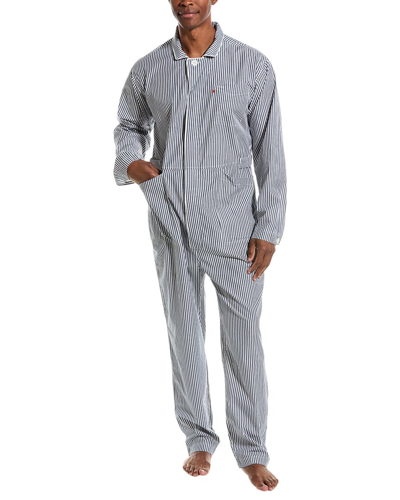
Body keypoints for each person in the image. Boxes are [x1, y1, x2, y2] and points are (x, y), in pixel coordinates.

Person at [113, 0, 286, 492]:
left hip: (234, 224)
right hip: (169, 216)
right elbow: (128, 125)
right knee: (184, 332)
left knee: (243, 339)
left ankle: (251, 450)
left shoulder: (252, 65)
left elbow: (269, 150)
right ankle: (199, 439)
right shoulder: (149, 68)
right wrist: (132, 163)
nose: (186, 1)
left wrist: (270, 226)